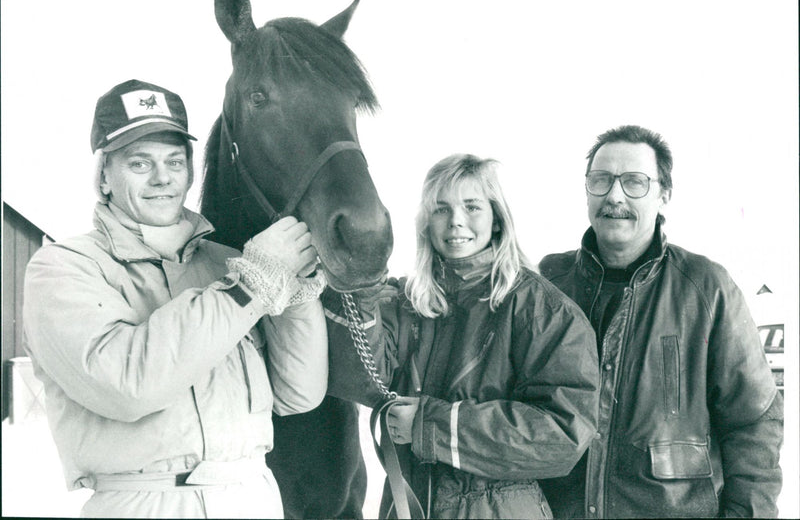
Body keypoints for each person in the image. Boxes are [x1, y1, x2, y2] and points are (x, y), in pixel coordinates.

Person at [23, 79, 329, 519]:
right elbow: (128, 385)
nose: (162, 177)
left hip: (251, 497)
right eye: (140, 163)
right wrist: (255, 282)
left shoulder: (231, 263)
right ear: (104, 176)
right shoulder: (62, 267)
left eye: (174, 161)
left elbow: (298, 394)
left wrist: (295, 293)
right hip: (144, 503)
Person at [324, 153, 600, 519]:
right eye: (441, 209)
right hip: (410, 504)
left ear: (497, 218)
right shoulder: (401, 302)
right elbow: (359, 382)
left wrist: (430, 425)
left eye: (472, 207)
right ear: (425, 223)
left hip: (500, 507)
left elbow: (564, 434)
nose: (456, 221)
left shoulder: (543, 310)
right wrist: (357, 295)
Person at [537, 125, 783, 518]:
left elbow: (754, 423)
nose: (614, 195)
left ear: (663, 193)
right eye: (600, 181)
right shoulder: (549, 283)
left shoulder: (707, 287)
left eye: (634, 182)